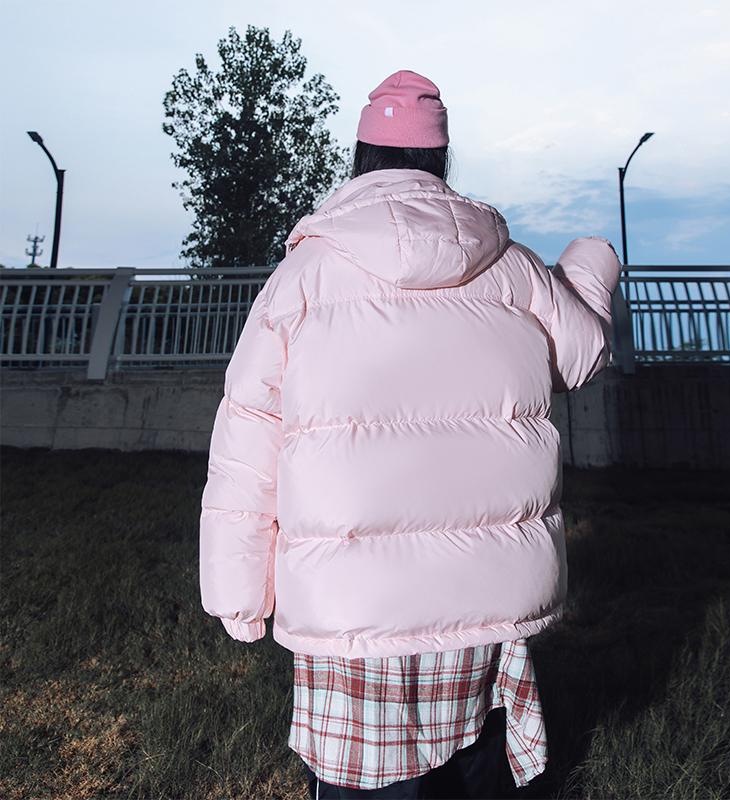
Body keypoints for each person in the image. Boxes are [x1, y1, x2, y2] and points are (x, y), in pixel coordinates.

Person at [198, 69, 622, 798]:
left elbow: (248, 431)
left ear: (361, 158)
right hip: (485, 592)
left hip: (350, 602)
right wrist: (591, 266)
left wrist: (238, 594)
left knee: (365, 780)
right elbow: (582, 353)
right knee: (474, 756)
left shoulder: (305, 275)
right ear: (440, 159)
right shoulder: (512, 267)